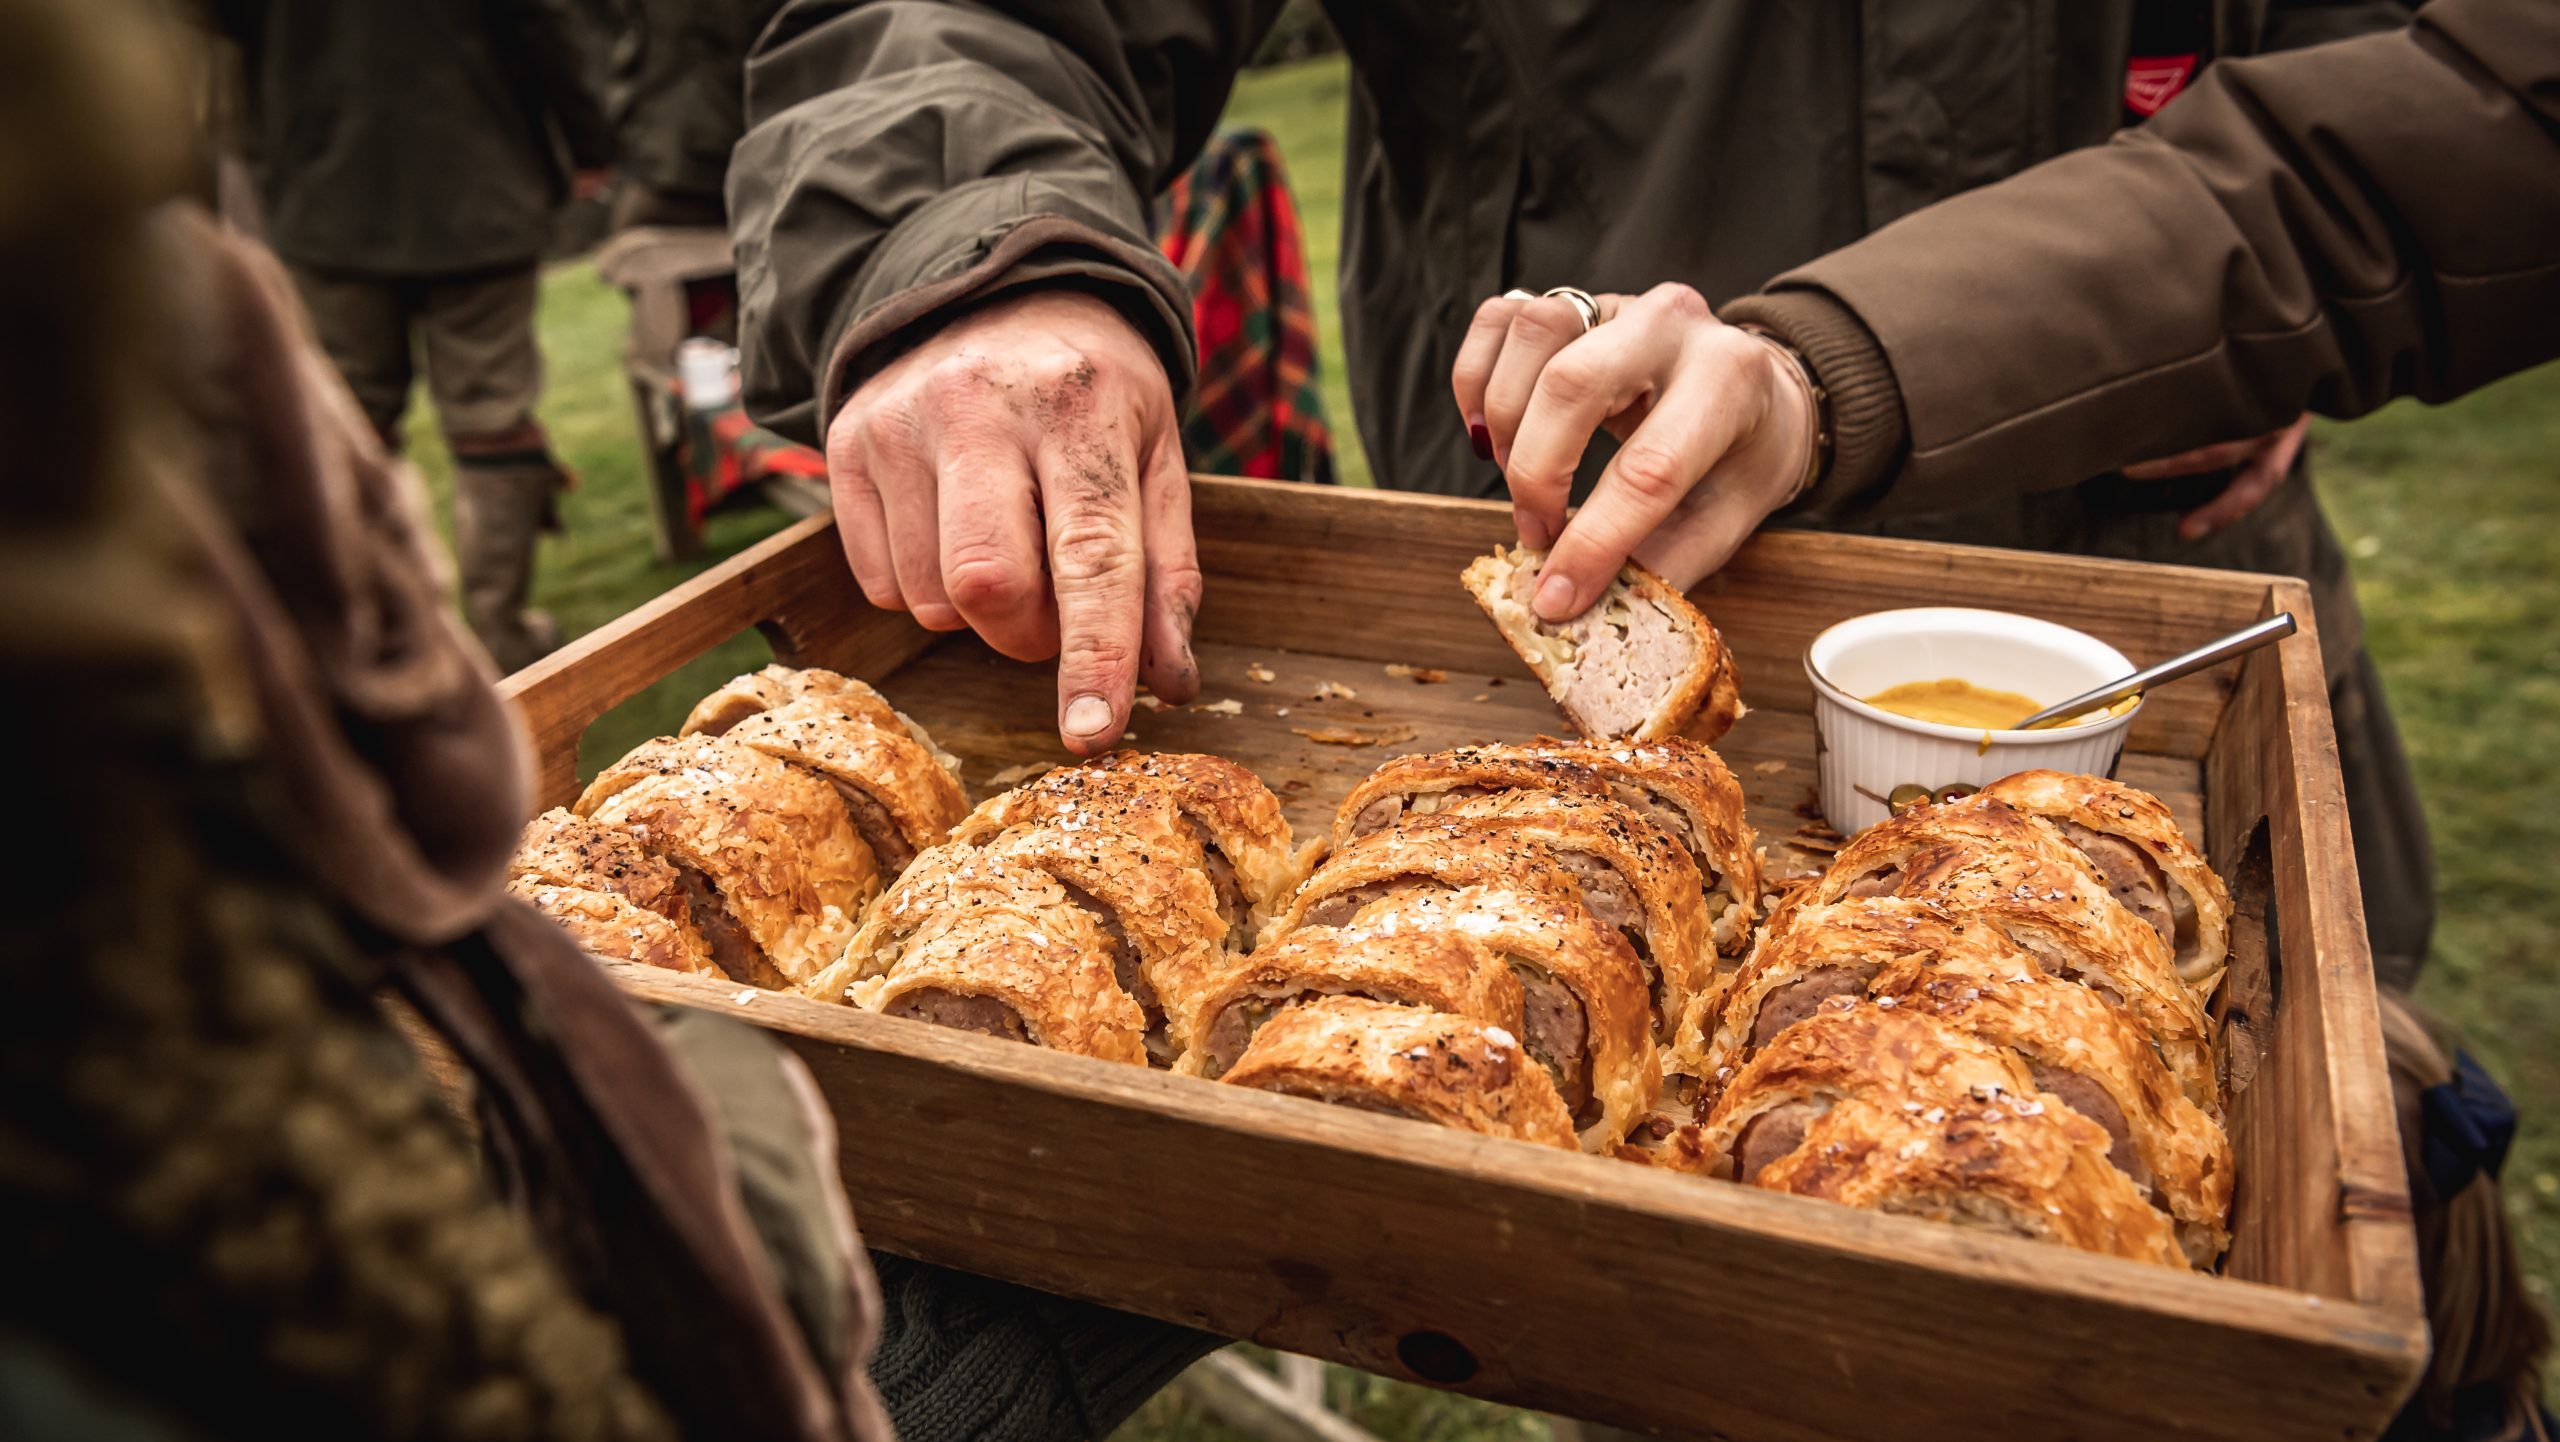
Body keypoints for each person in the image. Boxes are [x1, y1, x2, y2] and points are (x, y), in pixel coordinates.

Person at [0, 3, 1213, 1438]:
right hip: (462, 205)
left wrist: (978, 248)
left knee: (430, 403)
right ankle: (497, 584)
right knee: (486, 403)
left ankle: (495, 583)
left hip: (336, 200)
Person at [727, 0, 2442, 988]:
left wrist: (2207, 280)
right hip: (1536, 624)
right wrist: (977, 250)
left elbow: (2399, 90)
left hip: (2136, 599)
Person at [209, 0, 615, 673]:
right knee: (486, 417)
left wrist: (266, 162)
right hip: (474, 179)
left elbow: (220, 43)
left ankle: (383, 640)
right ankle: (500, 633)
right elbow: (542, 22)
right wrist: (588, 139)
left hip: (326, 189)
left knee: (354, 419)